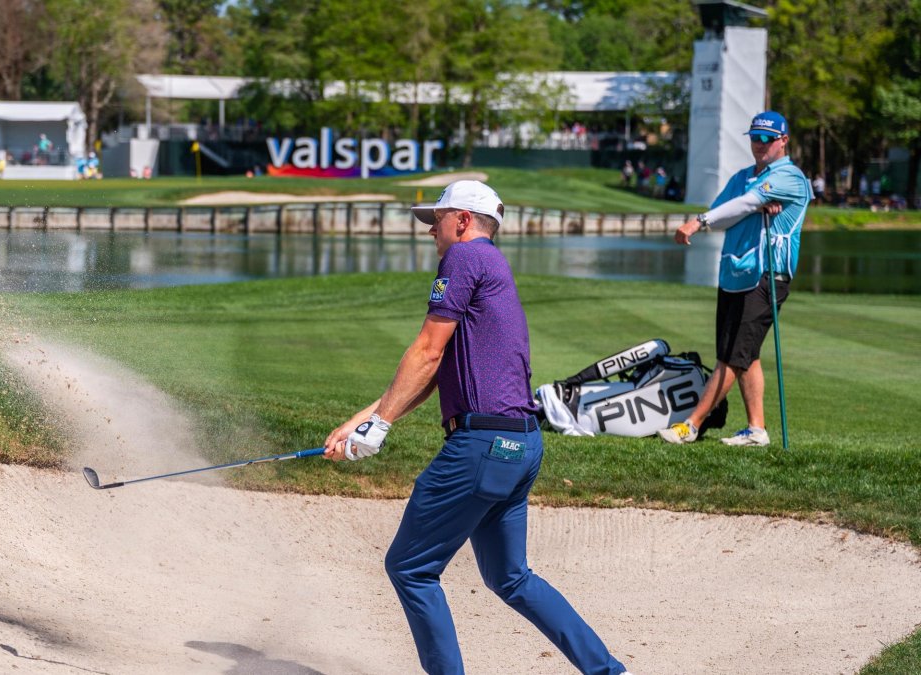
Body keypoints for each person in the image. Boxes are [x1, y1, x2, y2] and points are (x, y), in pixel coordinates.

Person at [324, 180, 630, 675]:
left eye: (436, 222)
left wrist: (378, 426)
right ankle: (609, 671)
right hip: (520, 445)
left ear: (462, 221)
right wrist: (363, 419)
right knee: (511, 577)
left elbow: (427, 350)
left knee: (410, 568)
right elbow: (433, 371)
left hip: (483, 446)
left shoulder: (464, 260)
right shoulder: (491, 263)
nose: (431, 233)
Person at [658, 111, 811, 447]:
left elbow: (742, 204)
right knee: (746, 355)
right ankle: (757, 430)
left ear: (783, 141)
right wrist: (743, 209)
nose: (759, 145)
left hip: (767, 275)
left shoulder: (790, 177)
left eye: (767, 139)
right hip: (734, 273)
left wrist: (698, 222)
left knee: (731, 356)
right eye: (755, 138)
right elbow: (726, 213)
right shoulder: (743, 176)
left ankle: (691, 426)